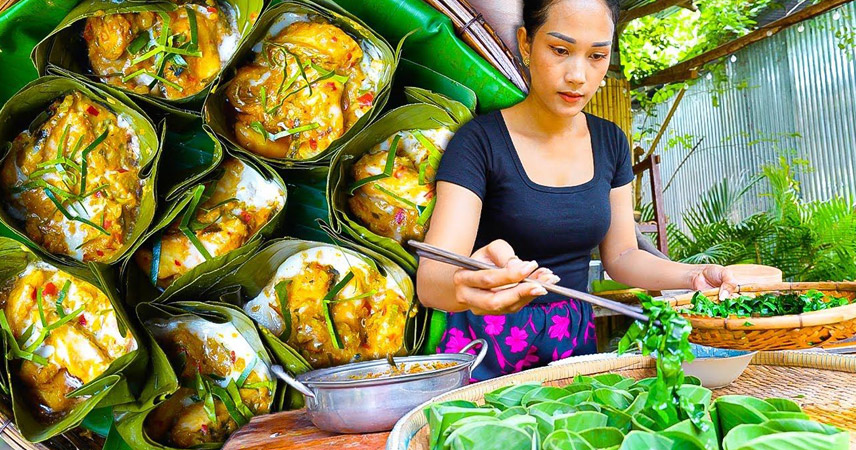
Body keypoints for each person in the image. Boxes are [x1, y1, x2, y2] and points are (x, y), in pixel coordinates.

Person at [416, 0, 747, 381]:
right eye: (560, 50)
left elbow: (622, 255)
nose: (577, 75)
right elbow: (432, 279)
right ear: (526, 44)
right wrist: (468, 285)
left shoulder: (611, 142)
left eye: (597, 56)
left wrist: (692, 277)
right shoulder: (478, 142)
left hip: (572, 347)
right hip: (485, 349)